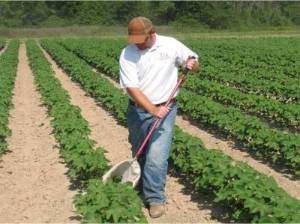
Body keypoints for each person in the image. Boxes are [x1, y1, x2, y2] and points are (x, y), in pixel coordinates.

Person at [119, 16, 199, 218]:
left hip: (166, 108)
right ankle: (140, 185)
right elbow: (132, 87)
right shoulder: (128, 53)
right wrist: (152, 109)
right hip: (138, 111)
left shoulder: (170, 44)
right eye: (134, 41)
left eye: (140, 40)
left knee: (157, 156)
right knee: (140, 152)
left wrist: (191, 64)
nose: (136, 45)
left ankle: (155, 198)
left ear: (151, 34)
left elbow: (193, 60)